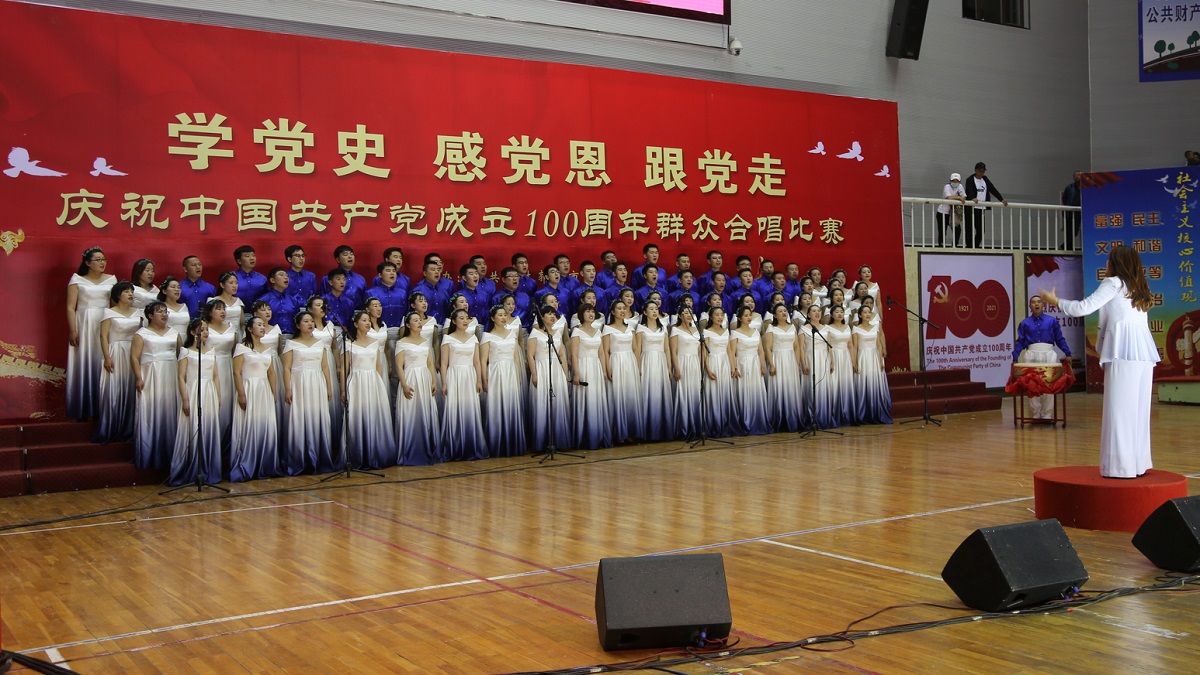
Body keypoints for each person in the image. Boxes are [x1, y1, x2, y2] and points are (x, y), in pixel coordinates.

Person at [1041, 245, 1159, 478]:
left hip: (1122, 352)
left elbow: (1083, 308)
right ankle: (1137, 464)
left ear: (1116, 264)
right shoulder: (1138, 287)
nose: (1106, 264)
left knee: (1119, 411)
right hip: (1143, 353)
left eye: (1109, 260)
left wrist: (1056, 301)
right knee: (1137, 412)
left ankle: (1120, 467)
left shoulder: (1113, 283)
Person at [167, 319, 222, 487]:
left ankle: (208, 468)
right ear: (192, 332)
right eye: (201, 329)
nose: (205, 332)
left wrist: (218, 396)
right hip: (192, 391)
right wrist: (185, 399)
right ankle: (189, 468)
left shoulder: (211, 351)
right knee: (193, 427)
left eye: (206, 329)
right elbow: (181, 377)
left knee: (208, 427)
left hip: (209, 391)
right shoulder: (186, 352)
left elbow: (215, 376)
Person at [281, 310, 336, 475]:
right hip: (299, 383)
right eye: (306, 321)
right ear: (298, 325)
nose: (310, 323)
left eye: (311, 321)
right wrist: (288, 388)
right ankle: (300, 458)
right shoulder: (291, 344)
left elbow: (325, 366)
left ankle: (319, 457)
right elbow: (286, 368)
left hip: (317, 381)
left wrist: (328, 386)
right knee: (301, 417)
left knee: (318, 416)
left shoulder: (320, 343)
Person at [66, 247, 116, 420]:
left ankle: (103, 409)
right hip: (84, 323)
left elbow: (116, 304)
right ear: (87, 263)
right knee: (85, 360)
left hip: (105, 322)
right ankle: (83, 408)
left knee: (102, 360)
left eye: (104, 259)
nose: (102, 263)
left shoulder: (111, 279)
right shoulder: (77, 279)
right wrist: (73, 330)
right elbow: (70, 307)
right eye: (98, 260)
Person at [341, 310, 395, 470]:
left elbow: (378, 366)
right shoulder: (349, 343)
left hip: (373, 381)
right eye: (364, 320)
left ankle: (375, 452)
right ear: (356, 324)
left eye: (368, 320)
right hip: (356, 382)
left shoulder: (374, 343)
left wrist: (380, 385)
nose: (368, 323)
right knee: (357, 416)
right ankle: (358, 454)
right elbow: (344, 368)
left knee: (374, 414)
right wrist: (343, 390)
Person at [130, 301, 180, 470]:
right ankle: (149, 453)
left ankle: (170, 454)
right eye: (160, 312)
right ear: (150, 315)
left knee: (169, 410)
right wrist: (138, 377)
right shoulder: (141, 334)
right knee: (151, 411)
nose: (164, 314)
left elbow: (180, 355)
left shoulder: (174, 333)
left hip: (171, 375)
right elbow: (134, 357)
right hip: (150, 375)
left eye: (166, 311)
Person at [230, 316, 279, 482]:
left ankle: (265, 463)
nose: (263, 327)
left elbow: (271, 372)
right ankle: (246, 463)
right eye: (259, 325)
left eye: (263, 325)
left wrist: (273, 392)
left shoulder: (267, 348)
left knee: (265, 424)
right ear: (250, 329)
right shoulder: (241, 347)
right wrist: (241, 394)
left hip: (264, 389)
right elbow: (236, 372)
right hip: (249, 387)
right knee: (249, 425)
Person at [94, 282, 142, 443]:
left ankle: (129, 429)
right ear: (118, 295)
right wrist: (107, 357)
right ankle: (111, 427)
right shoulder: (109, 312)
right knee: (114, 389)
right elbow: (103, 336)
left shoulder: (139, 313)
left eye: (132, 291)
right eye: (126, 291)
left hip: (134, 353)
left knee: (131, 389)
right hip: (115, 352)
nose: (130, 294)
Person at [1012, 295, 1073, 420]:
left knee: (1049, 384)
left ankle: (1047, 414)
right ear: (1030, 306)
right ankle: (1036, 413)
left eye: (1039, 302)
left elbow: (1059, 339)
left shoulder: (1052, 321)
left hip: (1048, 353)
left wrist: (1067, 353)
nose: (1036, 304)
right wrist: (1015, 356)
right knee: (1031, 385)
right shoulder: (1025, 323)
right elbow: (1020, 341)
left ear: (1043, 305)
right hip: (1031, 353)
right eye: (1033, 302)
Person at [440, 308, 489, 460]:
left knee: (470, 408)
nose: (465, 320)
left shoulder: (473, 338)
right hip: (454, 375)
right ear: (454, 321)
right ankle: (454, 446)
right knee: (455, 408)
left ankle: (470, 445)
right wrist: (444, 383)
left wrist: (479, 380)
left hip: (469, 376)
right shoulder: (448, 339)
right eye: (461, 318)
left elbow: (477, 362)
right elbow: (444, 363)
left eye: (466, 318)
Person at [394, 311, 440, 466]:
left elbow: (430, 363)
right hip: (411, 378)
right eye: (415, 320)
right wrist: (404, 384)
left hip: (425, 378)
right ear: (408, 325)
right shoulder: (402, 342)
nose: (419, 322)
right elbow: (399, 366)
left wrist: (434, 381)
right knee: (411, 412)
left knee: (426, 411)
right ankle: (410, 449)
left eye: (420, 320)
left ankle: (428, 448)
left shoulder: (425, 341)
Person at [480, 305, 526, 456]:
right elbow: (483, 361)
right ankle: (497, 444)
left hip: (511, 371)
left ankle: (513, 442)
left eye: (504, 315)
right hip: (496, 372)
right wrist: (484, 380)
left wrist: (518, 375)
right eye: (500, 315)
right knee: (497, 405)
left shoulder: (512, 334)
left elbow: (516, 357)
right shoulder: (487, 336)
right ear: (492, 318)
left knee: (511, 404)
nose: (503, 317)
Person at [527, 304, 572, 453]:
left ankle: (559, 440)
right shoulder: (535, 333)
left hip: (556, 370)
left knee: (558, 403)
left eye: (554, 314)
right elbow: (530, 356)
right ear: (542, 317)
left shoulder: (557, 333)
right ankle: (542, 442)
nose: (552, 316)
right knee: (543, 403)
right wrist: (534, 374)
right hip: (542, 368)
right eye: (549, 314)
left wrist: (565, 373)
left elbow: (562, 354)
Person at [569, 303, 612, 450]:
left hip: (596, 367)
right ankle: (584, 438)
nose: (591, 314)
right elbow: (574, 355)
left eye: (592, 311)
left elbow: (601, 353)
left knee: (596, 399)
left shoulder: (598, 331)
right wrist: (576, 373)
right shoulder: (577, 331)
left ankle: (598, 436)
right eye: (587, 311)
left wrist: (604, 370)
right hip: (583, 366)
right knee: (584, 400)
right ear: (582, 314)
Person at [602, 300, 643, 443]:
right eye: (619, 308)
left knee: (631, 396)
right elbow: (605, 351)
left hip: (630, 362)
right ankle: (618, 433)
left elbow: (635, 349)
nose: (622, 311)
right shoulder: (607, 329)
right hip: (616, 361)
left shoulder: (630, 328)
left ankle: (631, 432)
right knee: (618, 395)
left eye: (623, 308)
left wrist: (638, 366)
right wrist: (608, 368)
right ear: (613, 312)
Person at [202, 299, 238, 453]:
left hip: (228, 367)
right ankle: (210, 445)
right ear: (210, 312)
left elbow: (235, 350)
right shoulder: (204, 327)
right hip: (210, 368)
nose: (223, 311)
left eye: (224, 308)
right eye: (218, 309)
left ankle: (226, 447)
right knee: (214, 403)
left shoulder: (231, 328)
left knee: (228, 404)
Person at [635, 301, 674, 442]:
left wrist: (669, 367)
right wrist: (639, 366)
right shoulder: (640, 328)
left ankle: (663, 431)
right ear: (645, 312)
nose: (654, 311)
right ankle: (647, 431)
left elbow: (667, 349)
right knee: (648, 393)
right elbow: (638, 350)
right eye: (651, 309)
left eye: (656, 309)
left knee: (661, 394)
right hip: (647, 362)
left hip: (661, 362)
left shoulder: (663, 328)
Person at [729, 306, 769, 436]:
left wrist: (763, 366)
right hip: (742, 363)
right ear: (740, 318)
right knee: (744, 391)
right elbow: (732, 352)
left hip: (755, 363)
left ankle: (758, 420)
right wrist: (734, 368)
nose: (749, 317)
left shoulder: (756, 332)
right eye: (745, 315)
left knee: (755, 391)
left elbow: (761, 351)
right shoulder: (735, 333)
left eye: (750, 315)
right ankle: (745, 421)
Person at [763, 303, 803, 432]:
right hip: (778, 359)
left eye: (785, 310)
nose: (784, 313)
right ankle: (778, 419)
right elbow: (768, 349)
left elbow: (796, 347)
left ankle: (793, 418)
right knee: (779, 387)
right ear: (775, 315)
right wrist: (772, 365)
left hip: (790, 360)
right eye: (780, 311)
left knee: (791, 388)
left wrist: (796, 363)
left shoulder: (792, 327)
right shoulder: (771, 328)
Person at [850, 306, 892, 425]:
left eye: (869, 312)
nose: (868, 314)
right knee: (864, 383)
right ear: (860, 315)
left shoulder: (875, 327)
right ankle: (863, 414)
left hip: (874, 357)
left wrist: (881, 361)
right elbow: (855, 347)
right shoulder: (856, 329)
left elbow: (878, 344)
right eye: (865, 312)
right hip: (863, 357)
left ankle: (877, 412)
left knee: (875, 383)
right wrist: (855, 362)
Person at [700, 306, 736, 437]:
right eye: (717, 314)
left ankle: (725, 424)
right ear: (711, 317)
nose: (720, 317)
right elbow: (704, 352)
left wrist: (733, 367)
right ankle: (714, 424)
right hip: (713, 362)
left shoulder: (726, 331)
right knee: (714, 393)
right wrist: (708, 369)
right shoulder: (707, 332)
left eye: (722, 314)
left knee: (725, 392)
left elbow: (730, 351)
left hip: (724, 363)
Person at [670, 306, 703, 439]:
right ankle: (683, 428)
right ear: (679, 315)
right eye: (685, 313)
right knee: (683, 394)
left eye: (691, 313)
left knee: (695, 393)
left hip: (694, 363)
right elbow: (673, 351)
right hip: (682, 362)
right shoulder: (675, 330)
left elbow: (700, 350)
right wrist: (677, 369)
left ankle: (696, 427)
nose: (689, 315)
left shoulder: (696, 330)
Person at [800, 304, 835, 429]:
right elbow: (801, 348)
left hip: (824, 358)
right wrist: (804, 363)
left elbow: (829, 346)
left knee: (824, 387)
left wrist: (832, 361)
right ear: (808, 314)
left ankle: (824, 417)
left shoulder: (826, 328)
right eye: (814, 311)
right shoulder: (803, 329)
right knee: (812, 387)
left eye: (819, 311)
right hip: (811, 358)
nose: (817, 313)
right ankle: (811, 418)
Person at [963, 162, 1008, 248]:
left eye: (983, 171)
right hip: (971, 208)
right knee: (969, 229)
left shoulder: (985, 179)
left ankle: (976, 246)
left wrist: (1001, 199)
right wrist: (972, 198)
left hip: (981, 208)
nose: (982, 173)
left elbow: (993, 189)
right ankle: (969, 247)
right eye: (980, 171)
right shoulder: (970, 179)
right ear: (976, 170)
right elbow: (969, 190)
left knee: (981, 230)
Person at [826, 305, 857, 425]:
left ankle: (847, 413)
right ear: (831, 315)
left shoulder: (847, 327)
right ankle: (835, 413)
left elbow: (850, 345)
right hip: (834, 355)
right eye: (837, 312)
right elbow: (828, 346)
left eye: (841, 312)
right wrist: (831, 360)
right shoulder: (828, 328)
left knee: (846, 383)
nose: (839, 314)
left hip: (846, 357)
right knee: (834, 384)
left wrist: (853, 361)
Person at [937, 173, 967, 247]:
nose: (955, 182)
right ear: (950, 180)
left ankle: (954, 245)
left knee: (957, 230)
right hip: (943, 212)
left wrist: (958, 197)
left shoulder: (960, 186)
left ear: (959, 181)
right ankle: (941, 245)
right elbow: (949, 197)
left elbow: (964, 197)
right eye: (953, 181)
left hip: (954, 213)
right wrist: (959, 197)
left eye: (957, 181)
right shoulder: (947, 187)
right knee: (942, 230)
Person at [213, 272, 245, 340]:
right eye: (231, 283)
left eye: (236, 283)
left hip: (237, 335)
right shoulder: (214, 301)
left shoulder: (238, 301)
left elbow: (242, 323)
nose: (234, 286)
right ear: (222, 285)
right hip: (220, 335)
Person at [1061, 170, 1082, 250]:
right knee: (1069, 232)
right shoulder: (1069, 187)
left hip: (1078, 213)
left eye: (1079, 175)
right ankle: (1068, 247)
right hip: (1069, 213)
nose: (1077, 177)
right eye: (1076, 175)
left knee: (1075, 232)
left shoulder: (1085, 187)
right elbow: (1064, 199)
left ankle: (1064, 246)